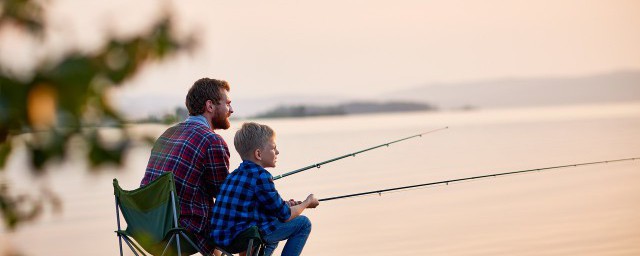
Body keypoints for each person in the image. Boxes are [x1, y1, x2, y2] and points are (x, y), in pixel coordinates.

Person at [140, 78, 234, 255]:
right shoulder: (212, 140)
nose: (232, 110)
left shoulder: (167, 133)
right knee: (254, 224)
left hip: (148, 228)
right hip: (180, 232)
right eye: (227, 104)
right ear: (210, 106)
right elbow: (225, 197)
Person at [210, 122, 319, 256]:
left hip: (221, 240)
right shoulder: (262, 176)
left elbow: (263, 206)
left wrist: (286, 204)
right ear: (258, 154)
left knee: (272, 223)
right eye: (274, 148)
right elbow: (285, 215)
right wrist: (307, 202)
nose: (277, 152)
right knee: (303, 224)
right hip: (242, 239)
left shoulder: (233, 175)